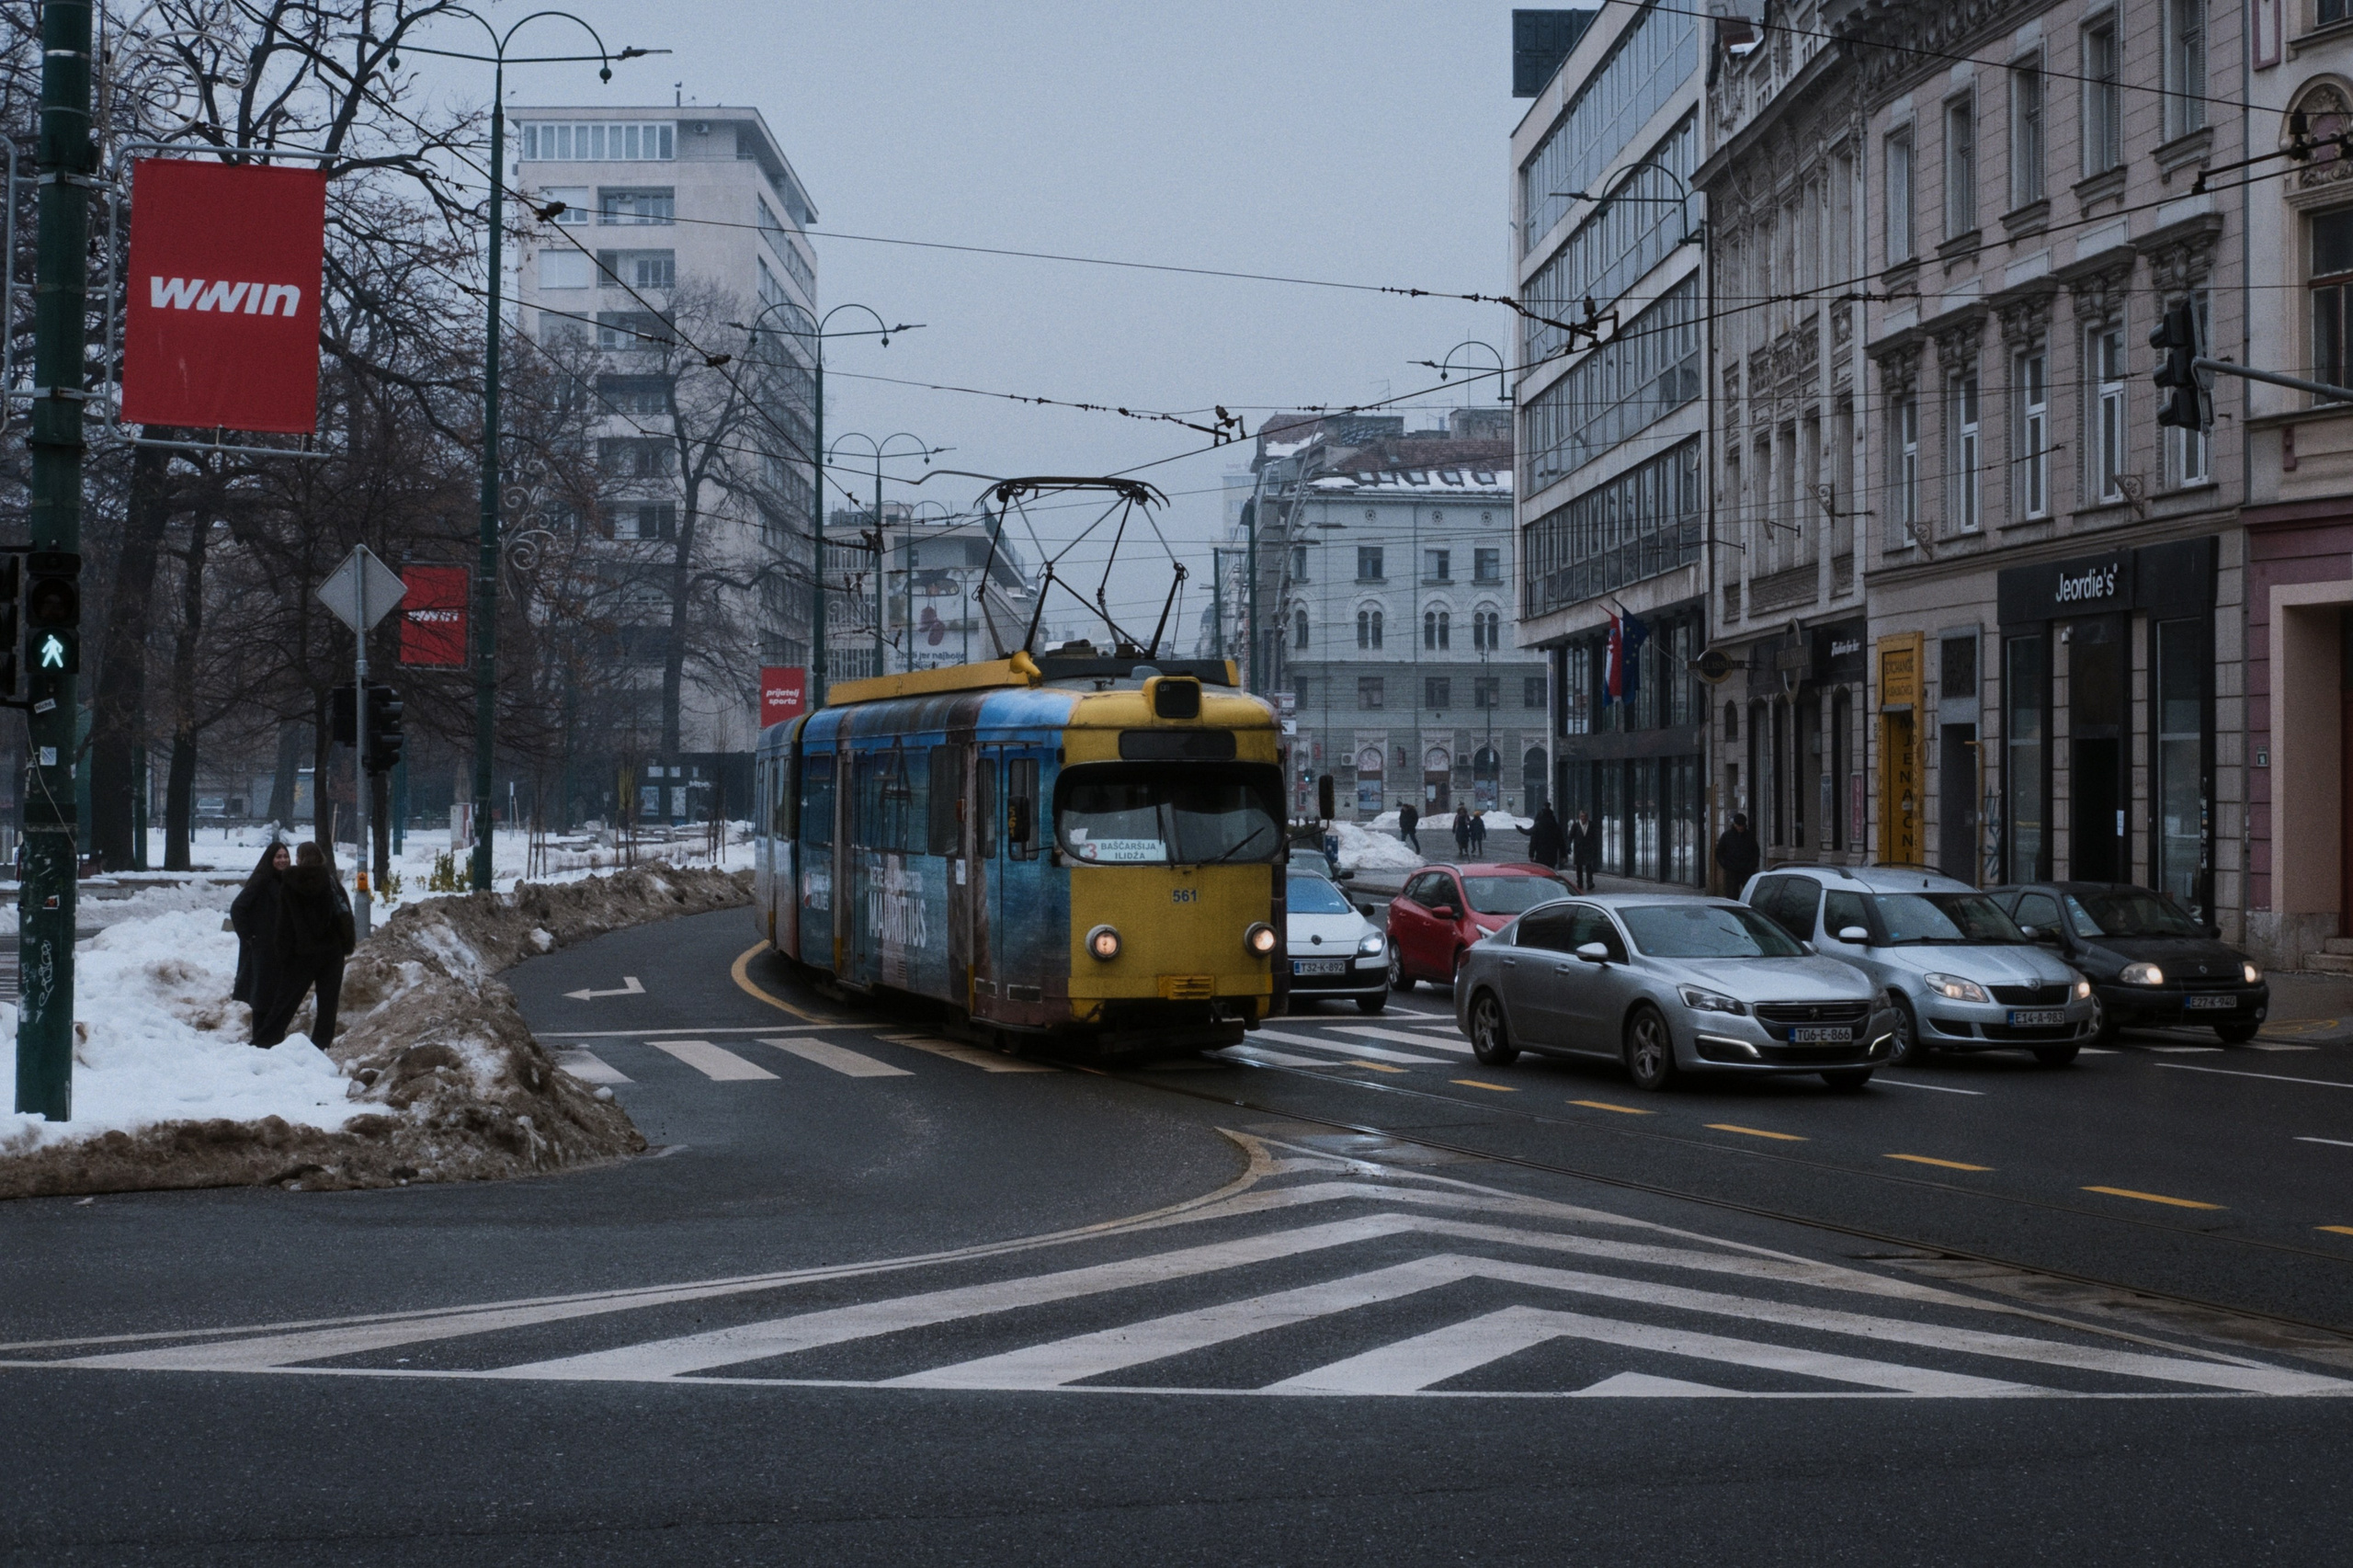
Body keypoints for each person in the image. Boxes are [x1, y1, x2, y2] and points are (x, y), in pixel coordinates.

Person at [253, 841, 358, 1048]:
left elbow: (285, 924)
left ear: (299, 859)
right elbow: (343, 913)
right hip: (331, 951)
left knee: (285, 1002)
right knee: (328, 1004)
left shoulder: (289, 883)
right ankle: (320, 1045)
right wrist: (346, 943)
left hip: (302, 954)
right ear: (320, 858)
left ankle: (264, 1041)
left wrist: (283, 952)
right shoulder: (330, 881)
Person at [230, 841, 290, 1017]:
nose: (283, 860)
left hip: (279, 948)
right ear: (270, 859)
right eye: (278, 857)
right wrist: (249, 936)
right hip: (263, 949)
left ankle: (271, 1038)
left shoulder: (286, 881)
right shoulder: (262, 880)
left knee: (276, 996)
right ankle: (261, 1038)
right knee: (262, 998)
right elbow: (238, 908)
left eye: (286, 856)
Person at [1715, 812, 1762, 898]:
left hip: (1747, 870)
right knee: (1732, 894)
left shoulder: (1749, 836)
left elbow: (1756, 851)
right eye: (1739, 825)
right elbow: (1719, 852)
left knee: (1749, 894)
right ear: (1735, 825)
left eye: (1742, 825)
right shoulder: (1727, 836)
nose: (1741, 827)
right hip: (1732, 870)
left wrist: (1753, 865)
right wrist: (1726, 865)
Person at [1567, 809, 1598, 892]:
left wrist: (1595, 848)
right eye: (1581, 816)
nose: (1583, 818)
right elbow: (1570, 836)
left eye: (1584, 816)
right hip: (1579, 849)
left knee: (1589, 866)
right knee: (1579, 866)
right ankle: (1579, 883)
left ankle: (1589, 882)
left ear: (1587, 817)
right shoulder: (1576, 826)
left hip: (1588, 849)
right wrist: (1568, 845)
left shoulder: (1591, 825)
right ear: (1579, 817)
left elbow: (1595, 837)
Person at [1527, 803, 1564, 869]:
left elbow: (1533, 841)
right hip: (1552, 855)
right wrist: (1563, 855)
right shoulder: (1555, 825)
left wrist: (1531, 854)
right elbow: (1561, 842)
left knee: (1541, 871)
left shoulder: (1538, 825)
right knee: (1550, 871)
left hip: (1540, 855)